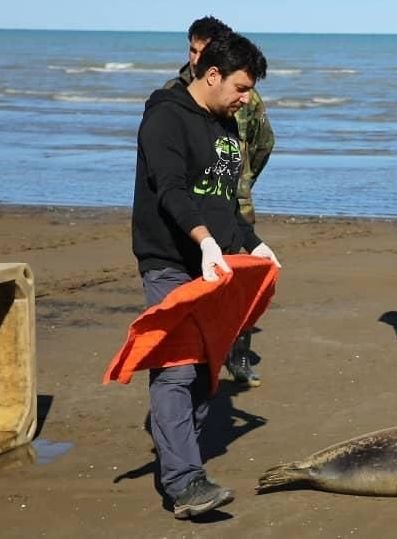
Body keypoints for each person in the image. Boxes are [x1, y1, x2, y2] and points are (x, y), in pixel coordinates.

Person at [133, 31, 278, 518]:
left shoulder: (224, 127)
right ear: (211, 74)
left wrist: (254, 244)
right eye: (240, 87)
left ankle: (184, 461)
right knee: (175, 368)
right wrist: (205, 241)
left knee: (203, 371)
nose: (245, 98)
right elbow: (171, 190)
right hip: (171, 261)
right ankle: (184, 481)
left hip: (214, 265)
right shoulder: (165, 117)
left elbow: (222, 202)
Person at [165, 16, 276, 388]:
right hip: (191, 208)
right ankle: (196, 356)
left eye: (204, 50)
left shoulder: (245, 93)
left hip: (232, 203)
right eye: (192, 49)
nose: (196, 57)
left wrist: (240, 183)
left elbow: (263, 143)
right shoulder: (173, 94)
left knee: (235, 289)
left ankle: (238, 354)